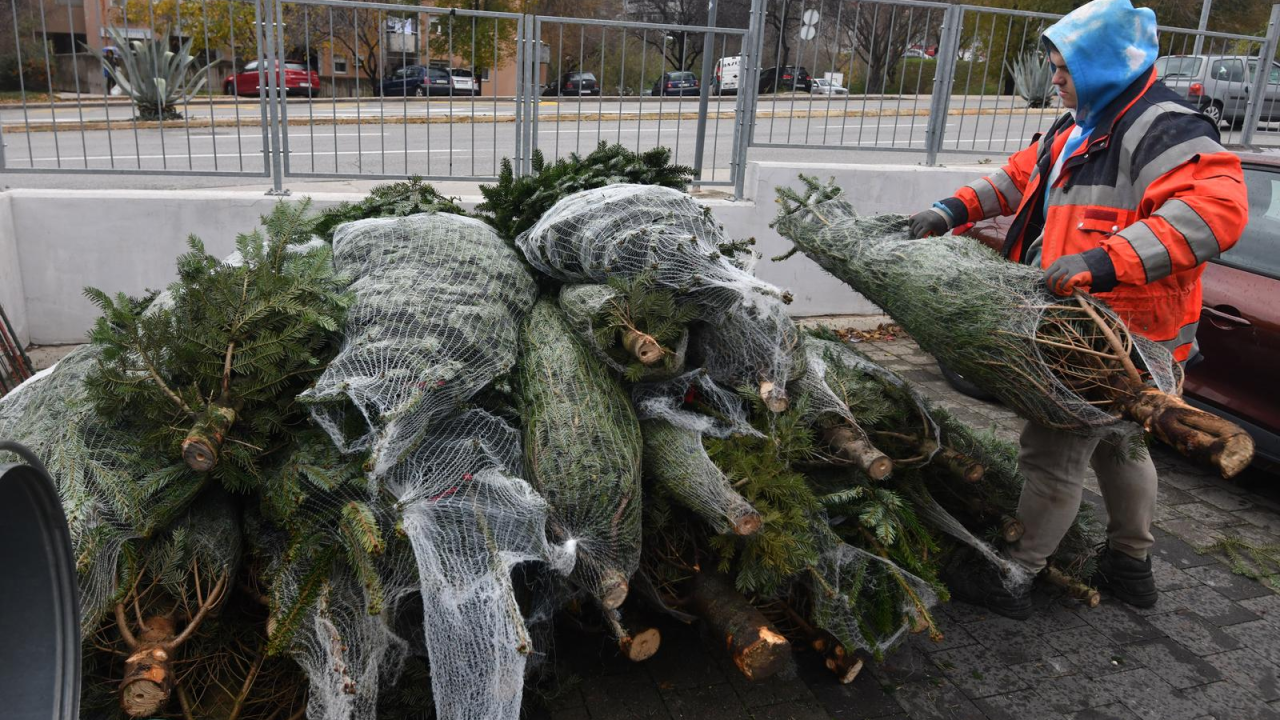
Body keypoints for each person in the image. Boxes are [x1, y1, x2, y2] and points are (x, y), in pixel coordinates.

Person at [909, 0, 1248, 620]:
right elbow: (1017, 179)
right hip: (1094, 328)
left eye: (1062, 65)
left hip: (1115, 341)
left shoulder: (1165, 128)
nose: (1054, 76)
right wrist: (950, 210)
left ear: (1099, 64)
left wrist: (1105, 260)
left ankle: (1015, 572)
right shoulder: (1081, 126)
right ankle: (1132, 566)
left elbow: (1214, 213)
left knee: (1051, 454)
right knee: (1124, 447)